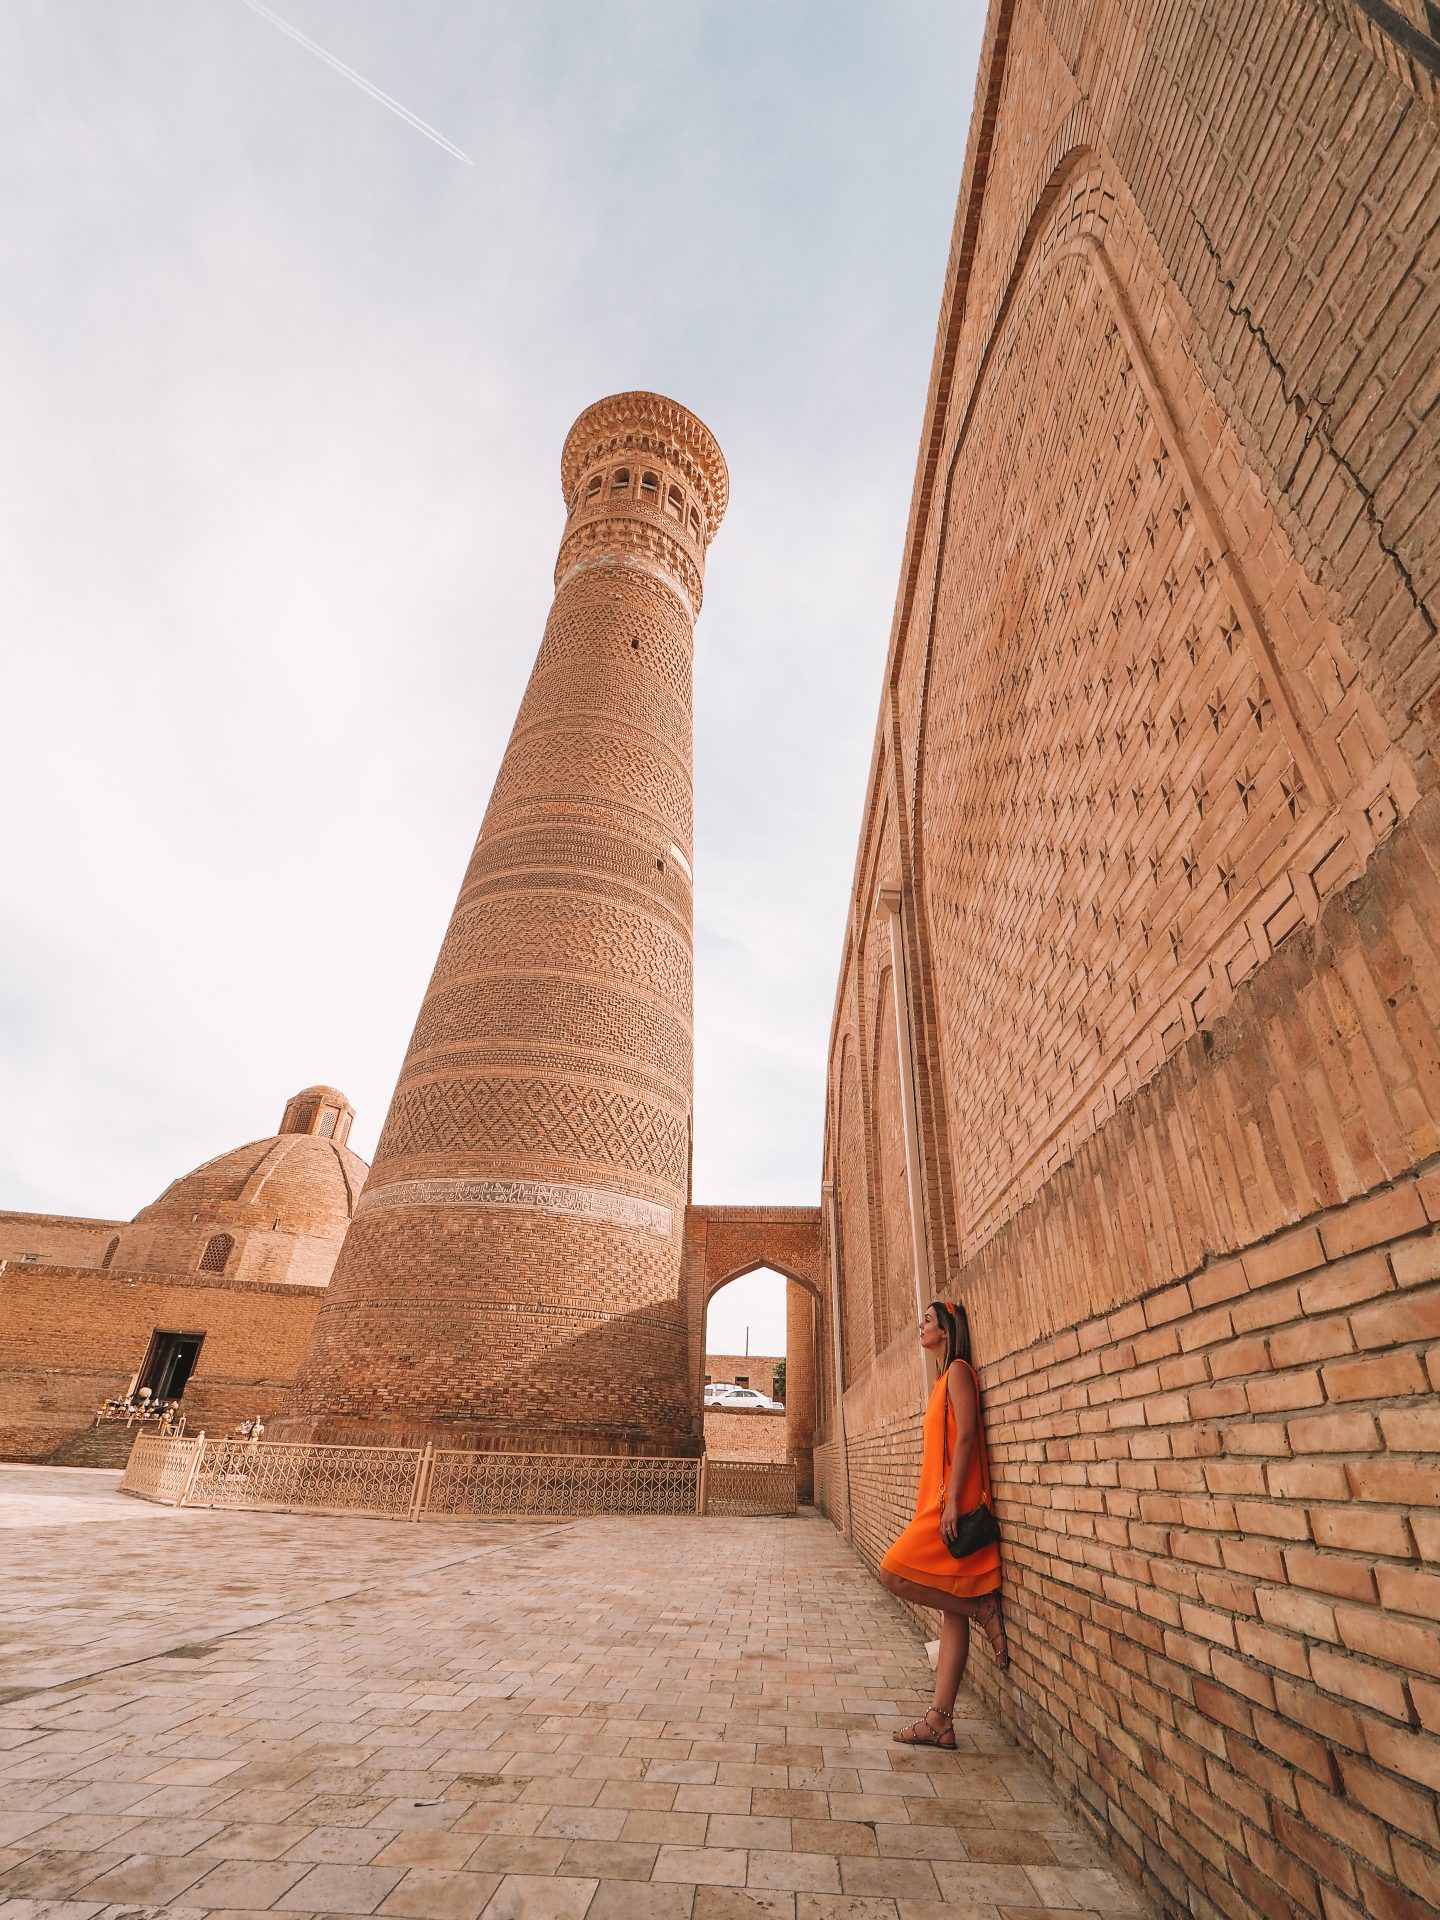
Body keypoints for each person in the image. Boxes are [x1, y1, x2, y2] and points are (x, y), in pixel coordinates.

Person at [880, 1298, 1007, 1748]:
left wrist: (952, 1500)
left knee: (891, 1572)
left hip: (951, 1505)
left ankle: (981, 1610)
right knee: (950, 1609)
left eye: (928, 1320)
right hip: (937, 1501)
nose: (921, 1325)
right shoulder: (940, 1380)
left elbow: (970, 1434)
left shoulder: (957, 1371)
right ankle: (940, 1721)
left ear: (948, 1329)